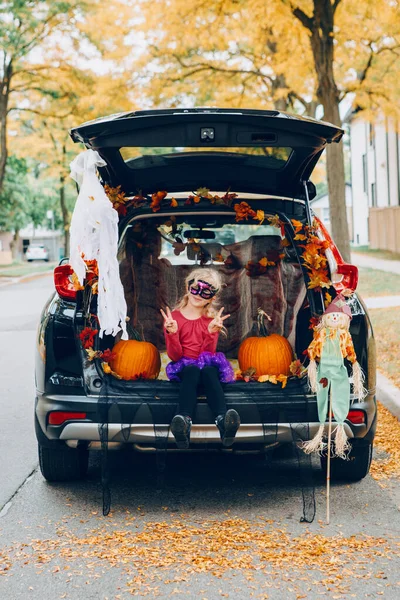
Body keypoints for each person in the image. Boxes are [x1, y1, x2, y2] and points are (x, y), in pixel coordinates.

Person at [160, 268, 240, 449]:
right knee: (193, 369)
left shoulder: (210, 320)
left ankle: (223, 421)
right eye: (196, 288)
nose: (199, 295)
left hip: (206, 371)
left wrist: (212, 332)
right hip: (186, 371)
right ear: (188, 287)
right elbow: (175, 356)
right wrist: (171, 333)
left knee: (209, 370)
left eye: (206, 293)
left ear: (212, 297)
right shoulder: (175, 318)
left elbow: (208, 354)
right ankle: (183, 420)